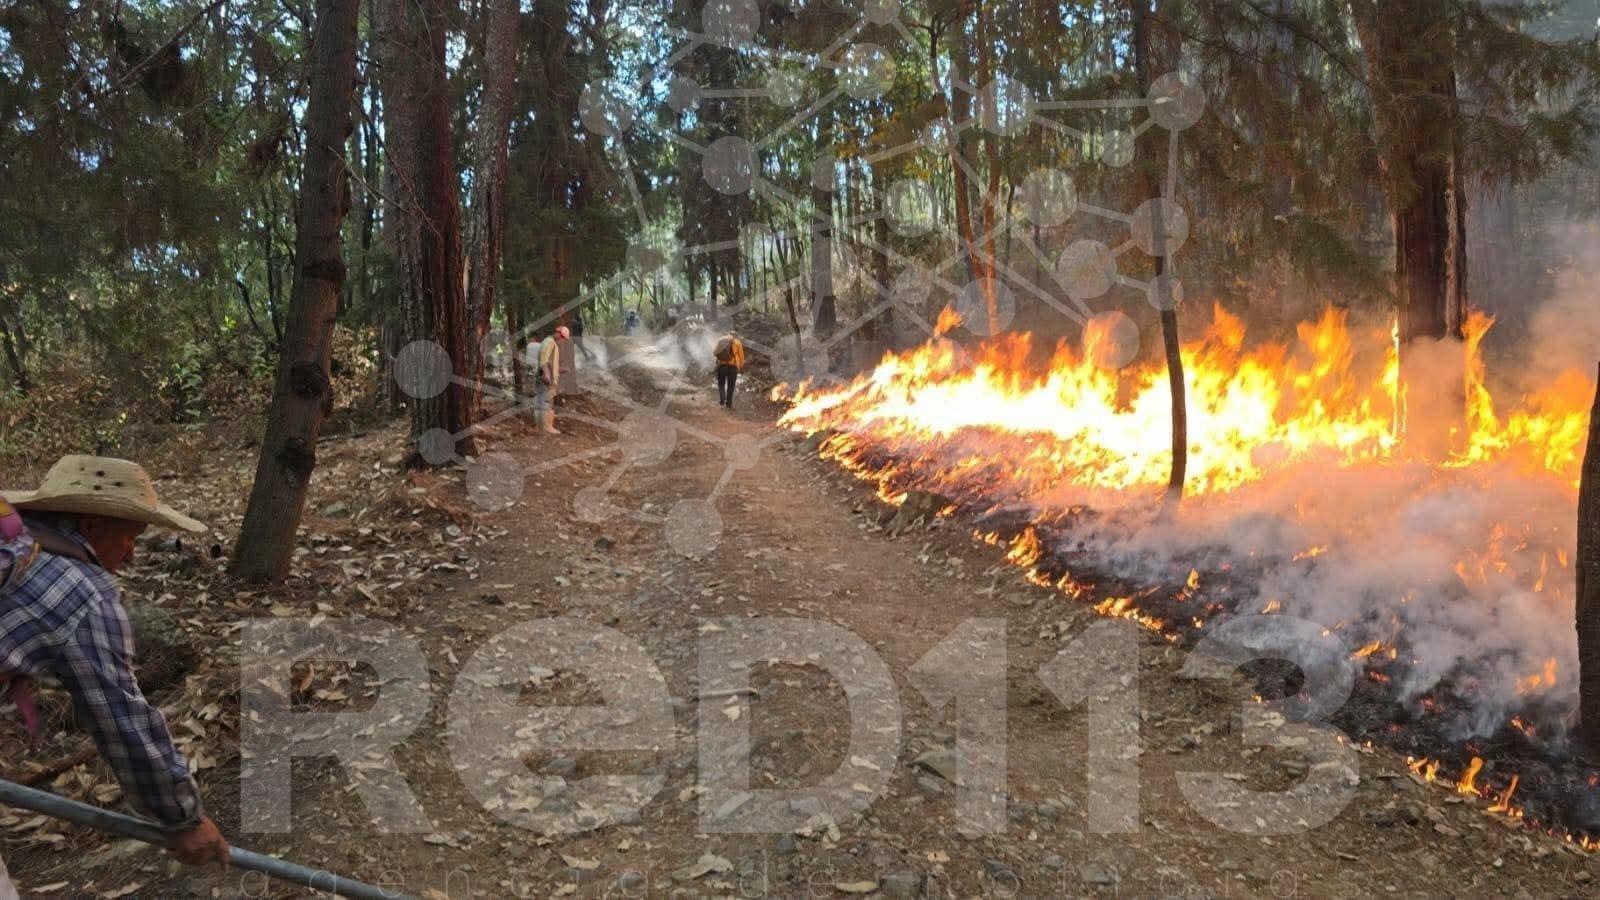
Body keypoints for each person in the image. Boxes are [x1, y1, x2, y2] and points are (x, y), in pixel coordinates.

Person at [0, 457, 230, 898]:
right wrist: (183, 818)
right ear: (90, 523)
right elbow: (121, 719)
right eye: (130, 536)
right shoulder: (83, 594)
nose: (132, 553)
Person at [534, 325, 569, 434]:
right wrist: (547, 374)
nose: (562, 341)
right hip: (545, 377)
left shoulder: (551, 343)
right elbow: (544, 361)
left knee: (541, 401)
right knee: (546, 401)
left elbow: (550, 363)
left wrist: (562, 369)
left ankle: (539, 426)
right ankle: (547, 426)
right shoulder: (549, 342)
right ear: (558, 333)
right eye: (562, 338)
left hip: (543, 375)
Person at [713, 331, 745, 409]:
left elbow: (715, 352)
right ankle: (729, 404)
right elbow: (741, 356)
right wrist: (741, 366)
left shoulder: (721, 340)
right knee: (731, 386)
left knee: (721, 383)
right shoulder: (737, 342)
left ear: (728, 334)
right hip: (733, 367)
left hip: (722, 365)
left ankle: (722, 399)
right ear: (736, 336)